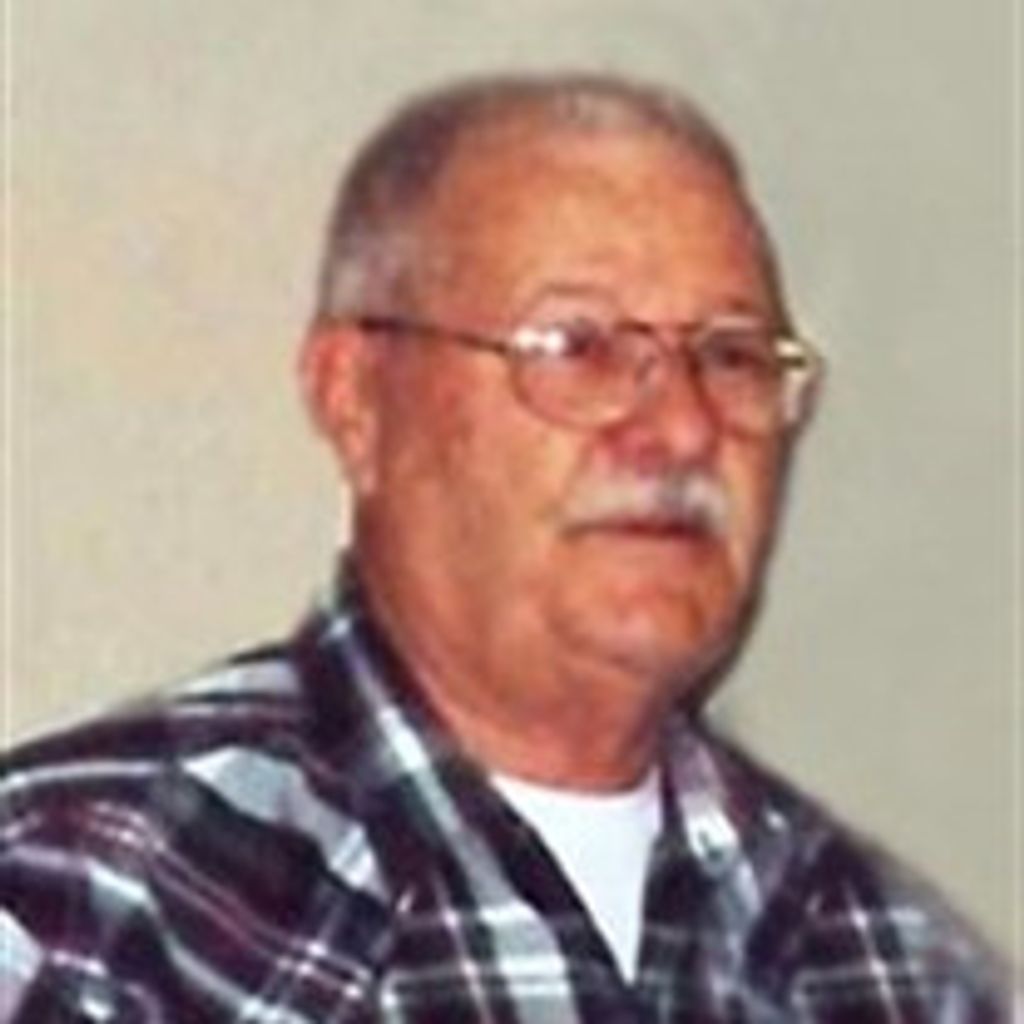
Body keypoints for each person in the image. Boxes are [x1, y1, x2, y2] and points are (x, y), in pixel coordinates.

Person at [0, 72, 1010, 1022]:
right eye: (578, 347)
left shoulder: (888, 960)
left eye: (731, 356)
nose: (682, 428)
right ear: (356, 398)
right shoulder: (84, 913)